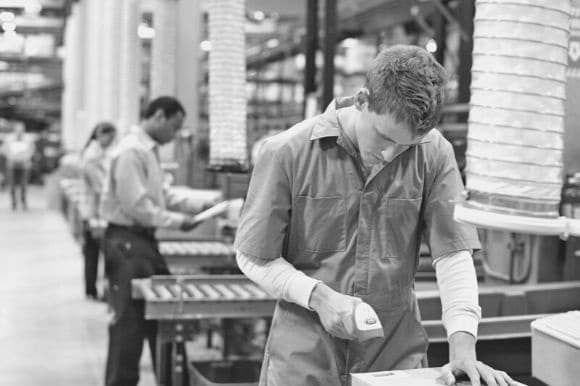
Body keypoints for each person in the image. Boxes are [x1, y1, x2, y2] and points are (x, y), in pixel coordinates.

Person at [235, 45, 520, 386]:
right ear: (361, 100)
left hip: (396, 359)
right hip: (304, 360)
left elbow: (453, 255)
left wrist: (463, 348)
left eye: (406, 147)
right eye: (384, 138)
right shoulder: (287, 152)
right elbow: (253, 256)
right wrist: (319, 296)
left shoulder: (434, 153)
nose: (390, 155)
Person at [100, 96, 219, 386]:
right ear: (159, 117)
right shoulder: (131, 152)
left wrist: (202, 205)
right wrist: (178, 222)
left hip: (141, 243)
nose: (174, 135)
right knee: (128, 326)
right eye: (174, 127)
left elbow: (162, 196)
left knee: (162, 319)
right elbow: (137, 207)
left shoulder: (148, 152)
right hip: (127, 243)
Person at [80, 122, 117, 300]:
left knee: (94, 253)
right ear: (101, 135)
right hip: (94, 213)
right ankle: (95, 290)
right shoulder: (92, 157)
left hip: (95, 212)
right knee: (97, 254)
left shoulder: (99, 154)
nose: (111, 142)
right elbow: (100, 187)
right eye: (110, 138)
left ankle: (94, 289)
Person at [3, 122, 34, 210]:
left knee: (24, 185)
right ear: (15, 130)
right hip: (12, 165)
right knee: (12, 185)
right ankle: (13, 203)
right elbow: (4, 150)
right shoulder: (9, 138)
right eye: (18, 129)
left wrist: (26, 157)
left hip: (24, 165)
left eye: (21, 130)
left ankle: (23, 201)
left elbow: (32, 150)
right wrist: (11, 156)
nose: (19, 131)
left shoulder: (28, 139)